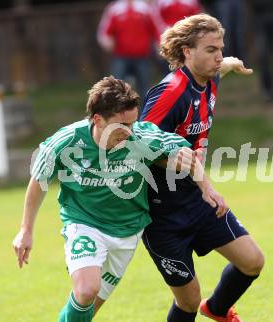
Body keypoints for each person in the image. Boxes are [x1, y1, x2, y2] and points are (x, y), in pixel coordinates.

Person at [12, 76, 210, 321]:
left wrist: (206, 186)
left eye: (132, 124)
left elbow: (185, 152)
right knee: (86, 290)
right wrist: (26, 230)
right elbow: (38, 182)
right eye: (121, 126)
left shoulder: (140, 136)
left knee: (90, 306)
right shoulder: (67, 142)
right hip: (84, 223)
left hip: (127, 232)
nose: (128, 133)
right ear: (98, 119)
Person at [140, 14, 265, 322]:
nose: (218, 55)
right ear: (186, 52)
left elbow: (219, 67)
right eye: (211, 50)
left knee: (252, 261)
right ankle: (201, 307)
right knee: (188, 300)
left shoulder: (208, 78)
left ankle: (218, 309)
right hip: (162, 214)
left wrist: (230, 64)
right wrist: (191, 171)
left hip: (197, 201)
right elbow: (140, 147)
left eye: (221, 48)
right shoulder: (170, 93)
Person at [97, 0, 157, 98]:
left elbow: (155, 28)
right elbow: (104, 31)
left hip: (142, 56)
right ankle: (117, 112)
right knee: (116, 88)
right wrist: (106, 42)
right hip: (121, 56)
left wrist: (159, 45)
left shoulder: (145, 8)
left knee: (145, 88)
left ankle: (146, 112)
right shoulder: (114, 8)